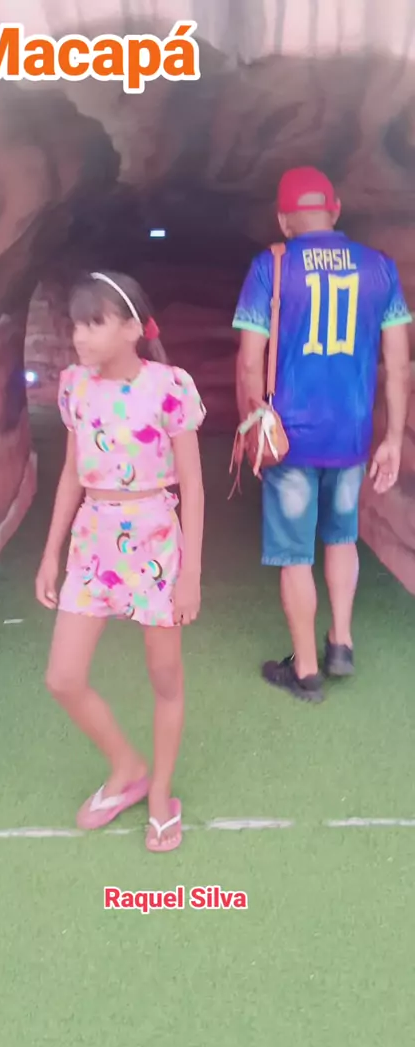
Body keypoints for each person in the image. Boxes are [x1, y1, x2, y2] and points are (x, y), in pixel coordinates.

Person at [35, 270, 206, 850]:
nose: (79, 336)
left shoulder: (170, 387)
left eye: (94, 323)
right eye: (75, 324)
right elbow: (70, 474)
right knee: (62, 677)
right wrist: (50, 552)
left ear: (133, 328)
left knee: (165, 679)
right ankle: (127, 768)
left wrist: (191, 575)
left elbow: (193, 486)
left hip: (156, 543)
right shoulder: (74, 387)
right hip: (91, 544)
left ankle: (160, 794)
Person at [233, 166, 412, 703]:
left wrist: (254, 423)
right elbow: (398, 364)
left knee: (295, 555)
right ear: (335, 210)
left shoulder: (271, 265)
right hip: (351, 437)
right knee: (341, 537)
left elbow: (250, 362)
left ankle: (307, 673)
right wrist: (393, 437)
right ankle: (341, 642)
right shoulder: (380, 268)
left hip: (290, 439)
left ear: (284, 220)